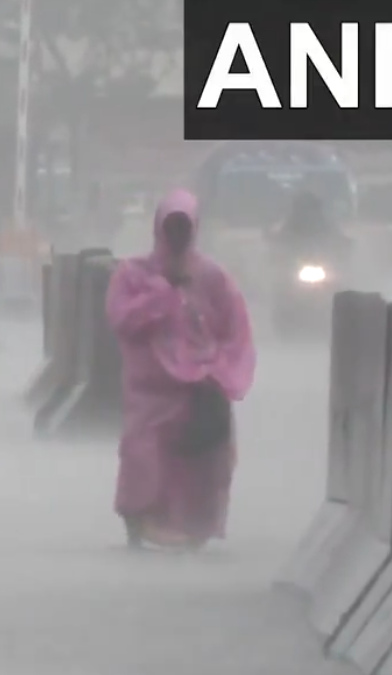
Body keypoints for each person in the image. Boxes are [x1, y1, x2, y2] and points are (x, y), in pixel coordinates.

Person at [105, 188, 256, 550]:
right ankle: (140, 522)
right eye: (170, 227)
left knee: (206, 461)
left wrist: (220, 373)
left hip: (202, 387)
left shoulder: (213, 277)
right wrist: (161, 295)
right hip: (150, 389)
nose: (176, 236)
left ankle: (194, 528)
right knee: (144, 458)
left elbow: (236, 331)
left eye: (182, 228)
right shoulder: (134, 274)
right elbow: (121, 319)